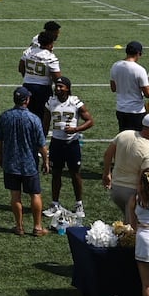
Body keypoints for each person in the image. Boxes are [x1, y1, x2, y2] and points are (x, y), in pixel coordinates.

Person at [0, 85, 49, 236]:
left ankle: (19, 227)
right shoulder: (33, 119)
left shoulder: (5, 116)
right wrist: (45, 161)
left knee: (15, 195)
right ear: (27, 100)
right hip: (29, 164)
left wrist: (0, 157)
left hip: (11, 163)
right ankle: (37, 227)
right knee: (35, 194)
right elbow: (41, 144)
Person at [45, 75, 92, 218]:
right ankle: (55, 203)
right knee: (56, 174)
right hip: (56, 142)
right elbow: (45, 123)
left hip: (72, 142)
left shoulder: (75, 102)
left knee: (75, 174)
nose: (58, 88)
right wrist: (42, 142)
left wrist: (76, 129)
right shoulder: (50, 102)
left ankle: (79, 204)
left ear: (67, 88)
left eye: (61, 86)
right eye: (57, 86)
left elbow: (90, 121)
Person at [101, 112, 149, 214]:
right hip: (132, 192)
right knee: (133, 226)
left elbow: (107, 155)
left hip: (116, 189)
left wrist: (106, 174)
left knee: (127, 222)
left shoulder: (124, 134)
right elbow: (147, 177)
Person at [19, 25, 61, 131]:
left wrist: (28, 76)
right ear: (50, 43)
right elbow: (57, 78)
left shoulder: (28, 52)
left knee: (28, 113)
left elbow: (21, 68)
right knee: (43, 116)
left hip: (27, 85)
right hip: (43, 89)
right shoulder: (50, 57)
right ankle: (40, 143)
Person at [109, 40, 149, 132]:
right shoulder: (140, 70)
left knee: (124, 138)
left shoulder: (115, 66)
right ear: (138, 53)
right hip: (136, 110)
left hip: (121, 109)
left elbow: (113, 88)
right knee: (137, 140)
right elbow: (148, 94)